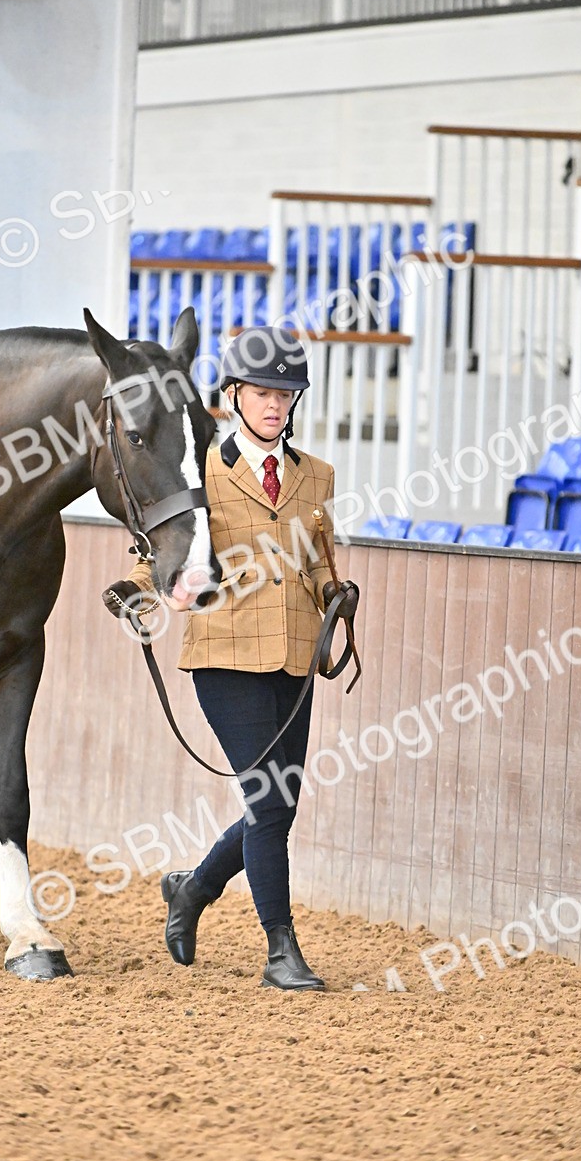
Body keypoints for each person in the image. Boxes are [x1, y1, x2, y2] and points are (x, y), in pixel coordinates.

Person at [103, 326, 359, 991]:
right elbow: (163, 544)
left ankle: (193, 888)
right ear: (236, 395)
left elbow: (317, 563)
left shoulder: (317, 477)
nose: (275, 405)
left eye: (285, 394)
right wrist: (137, 591)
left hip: (294, 658)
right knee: (268, 804)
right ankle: (282, 952)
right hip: (225, 653)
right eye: (262, 392)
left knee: (277, 805)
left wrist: (337, 594)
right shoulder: (205, 465)